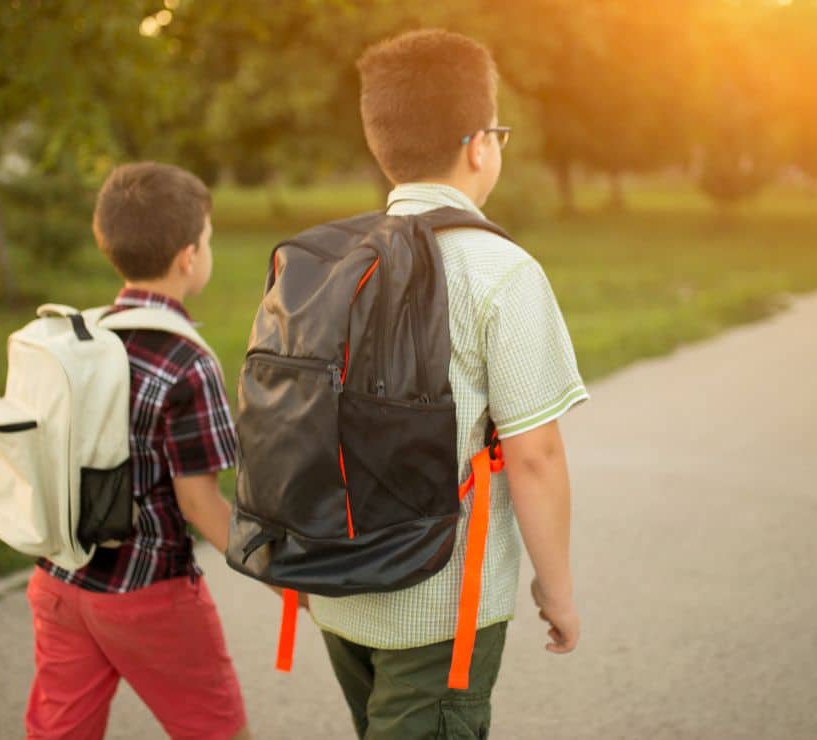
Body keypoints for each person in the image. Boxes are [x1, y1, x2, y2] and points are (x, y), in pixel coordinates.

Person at [308, 29, 589, 738]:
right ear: (479, 145)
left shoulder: (330, 263)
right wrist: (556, 591)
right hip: (439, 609)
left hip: (333, 588)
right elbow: (535, 455)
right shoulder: (501, 273)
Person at [24, 162, 250, 740]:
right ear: (187, 257)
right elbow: (200, 506)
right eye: (208, 238)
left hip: (59, 581)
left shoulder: (79, 338)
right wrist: (284, 578)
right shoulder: (187, 362)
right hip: (149, 592)